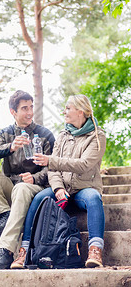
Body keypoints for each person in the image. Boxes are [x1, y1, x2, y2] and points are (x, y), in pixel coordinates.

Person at [11, 94, 106, 269]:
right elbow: (53, 170)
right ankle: (24, 252)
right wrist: (58, 189)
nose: (64, 111)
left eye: (68, 108)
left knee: (94, 198)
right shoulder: (63, 135)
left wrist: (50, 161)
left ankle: (95, 250)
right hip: (62, 187)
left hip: (84, 188)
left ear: (81, 111)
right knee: (38, 198)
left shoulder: (97, 136)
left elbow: (84, 164)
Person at [0, 90, 55, 269]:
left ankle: (5, 251)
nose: (29, 112)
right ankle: (4, 213)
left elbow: (54, 167)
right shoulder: (7, 133)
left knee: (22, 188)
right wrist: (10, 147)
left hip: (36, 188)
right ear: (13, 112)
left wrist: (34, 178)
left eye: (31, 107)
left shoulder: (44, 134)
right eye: (24, 108)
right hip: (11, 186)